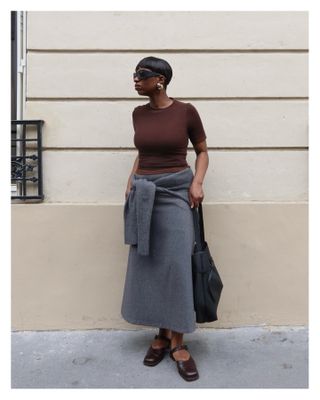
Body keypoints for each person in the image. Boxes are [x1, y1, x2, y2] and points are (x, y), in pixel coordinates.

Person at [121, 56, 209, 382]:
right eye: (134, 74)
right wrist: (131, 179)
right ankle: (160, 334)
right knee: (150, 264)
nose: (134, 79)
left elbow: (202, 151)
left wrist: (197, 182)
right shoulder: (138, 114)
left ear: (160, 79)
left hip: (175, 193)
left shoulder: (185, 111)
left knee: (175, 264)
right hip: (144, 193)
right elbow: (143, 153)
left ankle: (178, 342)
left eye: (140, 75)